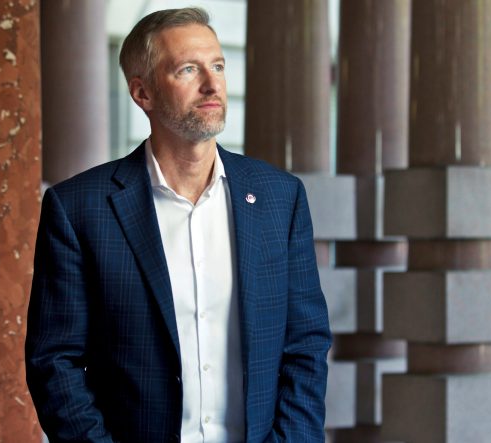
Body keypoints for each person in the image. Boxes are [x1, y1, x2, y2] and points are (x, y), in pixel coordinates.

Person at [25, 7, 331, 443]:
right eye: (188, 69)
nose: (212, 84)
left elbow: (306, 344)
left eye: (218, 66)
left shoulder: (280, 198)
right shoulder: (78, 209)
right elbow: (55, 362)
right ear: (142, 93)